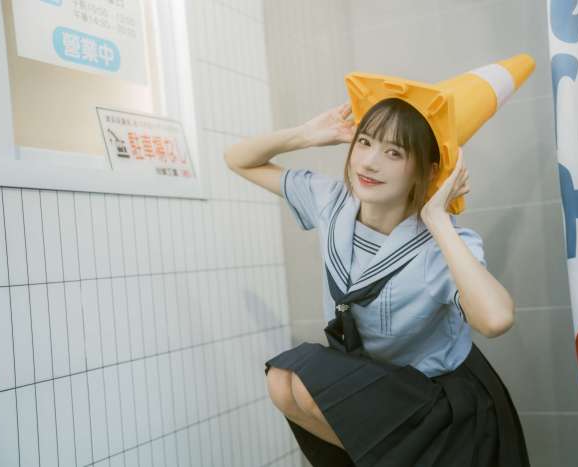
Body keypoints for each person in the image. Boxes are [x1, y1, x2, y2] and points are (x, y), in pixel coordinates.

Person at [224, 99, 530, 466]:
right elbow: (237, 159)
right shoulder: (332, 202)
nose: (370, 162)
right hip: (377, 387)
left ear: (428, 169)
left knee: (305, 387)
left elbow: (496, 320)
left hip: (437, 404)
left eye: (394, 153)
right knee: (282, 380)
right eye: (365, 142)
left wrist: (437, 217)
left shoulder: (439, 246)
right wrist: (305, 135)